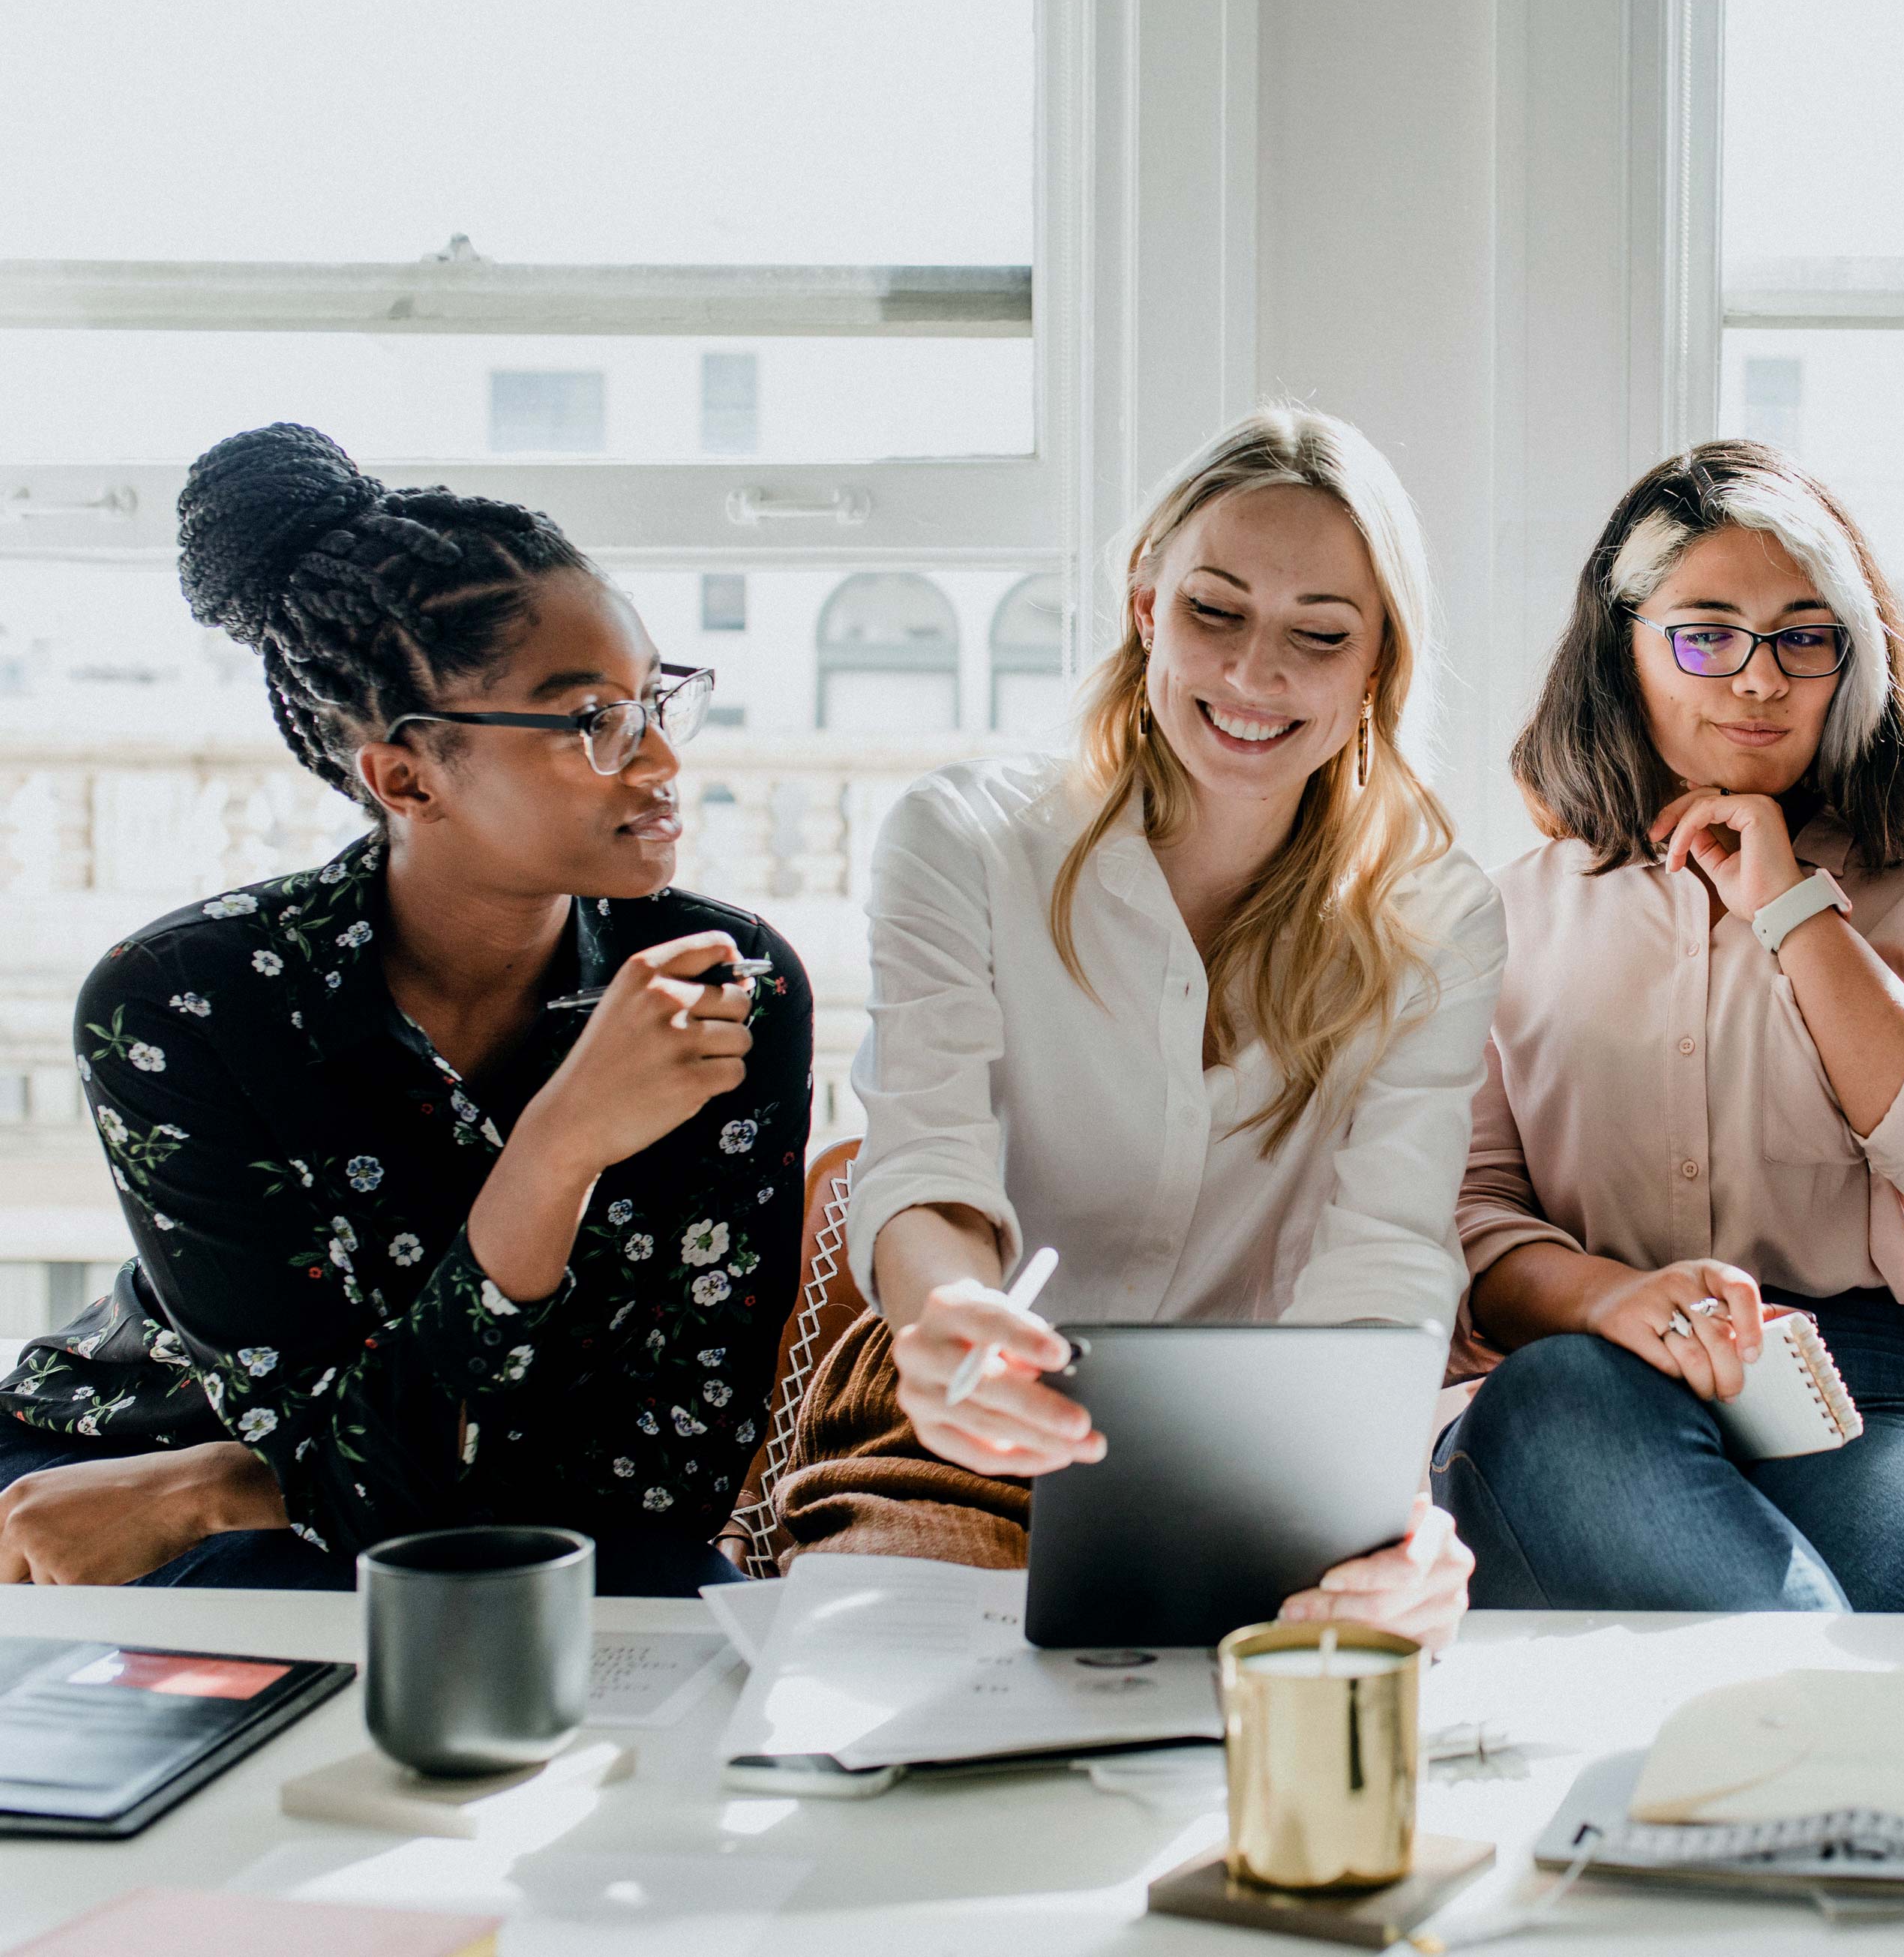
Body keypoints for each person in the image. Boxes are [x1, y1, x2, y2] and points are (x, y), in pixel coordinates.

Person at [0, 424, 814, 1593]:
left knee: (686, 1614)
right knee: (279, 1603)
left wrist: (253, 1481)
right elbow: (358, 1504)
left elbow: (673, 1476)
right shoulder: (186, 1003)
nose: (661, 764)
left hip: (277, 1496)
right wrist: (558, 1150)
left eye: (655, 703)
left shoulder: (725, 980)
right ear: (407, 776)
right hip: (124, 1473)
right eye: (594, 721)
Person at [772, 409, 1501, 1650]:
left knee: (1299, 1706)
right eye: (1215, 612)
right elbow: (926, 1161)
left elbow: (1385, 1250)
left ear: (1377, 663)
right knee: (897, 1698)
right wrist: (945, 1317)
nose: (1256, 676)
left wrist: (1371, 1503)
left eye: (1318, 637)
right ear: (1145, 603)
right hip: (961, 1408)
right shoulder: (965, 842)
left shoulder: (1437, 919)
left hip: (1255, 1446)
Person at [1435, 441, 1904, 1613]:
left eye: (1804, 636)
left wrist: (1795, 911)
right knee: (1551, 1411)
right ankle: (1825, 1740)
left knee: (1867, 1607)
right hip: (1601, 1374)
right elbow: (1470, 1219)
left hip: (1894, 1389)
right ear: (1621, 652)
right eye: (1707, 633)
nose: (1760, 679)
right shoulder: (1505, 915)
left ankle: (1778, 1740)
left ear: (1854, 661)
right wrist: (1604, 1298)